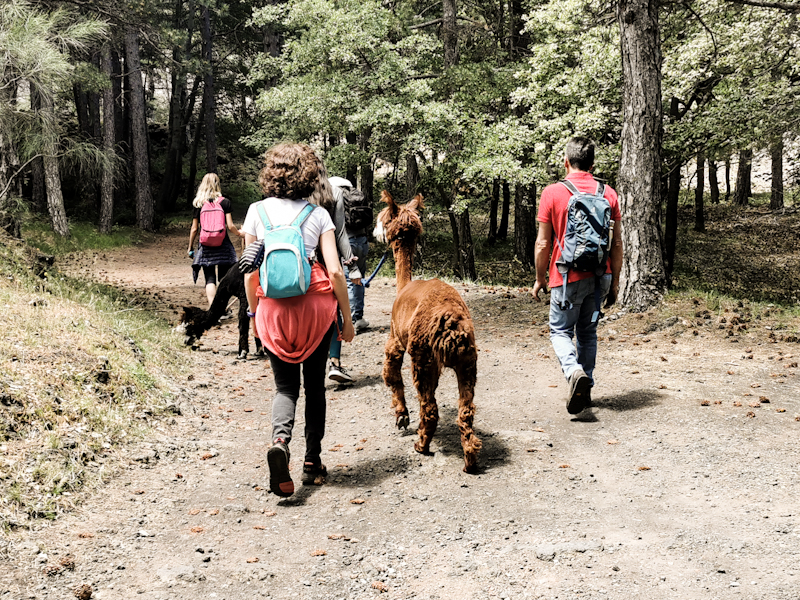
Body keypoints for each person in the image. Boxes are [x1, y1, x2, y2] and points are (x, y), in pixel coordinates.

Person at [242, 143, 355, 497]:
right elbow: (335, 272)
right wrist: (347, 320)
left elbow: (249, 274)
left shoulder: (255, 212)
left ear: (270, 173)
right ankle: (312, 460)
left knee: (285, 387)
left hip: (273, 310)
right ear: (308, 174)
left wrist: (255, 312)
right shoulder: (317, 215)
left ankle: (280, 441)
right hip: (315, 309)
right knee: (315, 386)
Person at [532, 136, 623, 415]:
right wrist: (615, 281)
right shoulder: (609, 193)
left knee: (560, 330)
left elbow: (542, 244)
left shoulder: (552, 193)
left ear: (566, 161)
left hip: (566, 275)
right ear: (592, 165)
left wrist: (540, 278)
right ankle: (587, 388)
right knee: (587, 333)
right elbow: (617, 244)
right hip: (600, 276)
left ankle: (573, 373)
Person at [309, 163, 361, 384]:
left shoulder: (298, 193)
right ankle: (334, 362)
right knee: (334, 310)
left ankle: (309, 363)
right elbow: (340, 233)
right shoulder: (335, 193)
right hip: (328, 259)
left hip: (304, 261)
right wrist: (353, 267)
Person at [188, 173, 244, 307]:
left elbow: (194, 228)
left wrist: (190, 247)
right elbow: (230, 226)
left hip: (206, 245)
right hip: (223, 244)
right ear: (217, 184)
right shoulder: (225, 202)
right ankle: (222, 308)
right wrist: (239, 234)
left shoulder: (199, 204)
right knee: (224, 279)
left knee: (209, 278)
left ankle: (215, 310)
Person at [328, 176, 370, 333]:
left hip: (348, 243)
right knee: (358, 279)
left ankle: (351, 319)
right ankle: (358, 316)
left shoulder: (335, 195)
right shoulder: (357, 195)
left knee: (348, 280)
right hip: (362, 241)